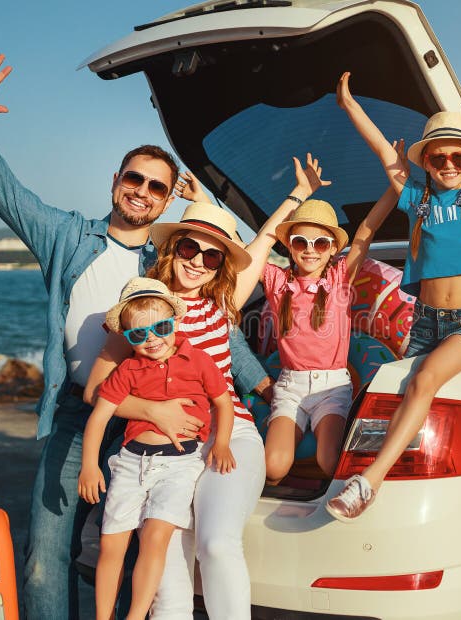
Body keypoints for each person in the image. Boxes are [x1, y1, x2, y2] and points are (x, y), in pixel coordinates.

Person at [0, 54, 271, 618]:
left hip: (150, 431)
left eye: (156, 185)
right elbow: (1, 187)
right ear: (116, 182)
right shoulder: (67, 238)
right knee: (46, 558)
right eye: (134, 179)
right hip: (81, 416)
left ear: (168, 199)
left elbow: (218, 322)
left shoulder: (172, 262)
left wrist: (270, 392)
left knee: (131, 556)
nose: (143, 191)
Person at [88, 154, 332, 619]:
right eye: (188, 250)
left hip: (230, 437)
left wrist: (299, 195)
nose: (198, 262)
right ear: (172, 249)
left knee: (216, 544)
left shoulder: (222, 303)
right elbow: (95, 391)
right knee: (170, 567)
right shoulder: (143, 310)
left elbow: (261, 244)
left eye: (212, 254)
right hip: (162, 452)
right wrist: (154, 411)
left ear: (221, 263)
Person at [326, 39, 461, 521]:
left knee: (422, 381)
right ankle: (386, 486)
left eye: (457, 158)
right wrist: (349, 105)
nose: (448, 165)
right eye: (438, 159)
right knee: (399, 397)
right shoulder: (418, 199)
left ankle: (368, 484)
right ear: (427, 162)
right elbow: (383, 151)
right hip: (423, 322)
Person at [79, 278, 235, 620]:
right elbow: (99, 417)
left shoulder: (199, 361)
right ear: (127, 338)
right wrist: (89, 465)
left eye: (161, 327)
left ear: (174, 323)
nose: (152, 339)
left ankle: (135, 616)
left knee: (154, 535)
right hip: (130, 462)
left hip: (180, 465)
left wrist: (221, 442)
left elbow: (223, 403)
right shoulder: (128, 370)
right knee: (111, 545)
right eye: (138, 335)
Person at [250, 189, 398, 483]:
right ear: (289, 247)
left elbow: (366, 231)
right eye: (300, 242)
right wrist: (202, 200)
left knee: (329, 461)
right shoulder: (277, 281)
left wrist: (395, 190)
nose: (310, 249)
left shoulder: (339, 278)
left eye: (320, 243)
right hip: (290, 386)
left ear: (332, 249)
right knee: (274, 467)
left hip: (331, 389)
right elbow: (247, 251)